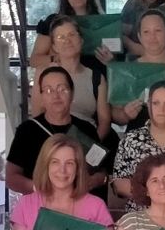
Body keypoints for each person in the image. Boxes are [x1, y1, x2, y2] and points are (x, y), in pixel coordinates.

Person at [6, 66, 107, 196]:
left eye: (62, 89)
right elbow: (11, 177)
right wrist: (40, 189)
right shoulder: (27, 131)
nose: (56, 96)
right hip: (40, 203)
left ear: (72, 94)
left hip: (80, 203)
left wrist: (95, 180)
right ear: (41, 96)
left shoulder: (87, 129)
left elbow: (102, 171)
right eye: (48, 90)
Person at [28, 17, 113, 156]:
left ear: (81, 40)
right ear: (54, 46)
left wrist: (90, 149)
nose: (67, 40)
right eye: (60, 37)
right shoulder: (44, 72)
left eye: (71, 35)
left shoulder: (96, 77)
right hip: (51, 142)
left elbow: (104, 121)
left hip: (87, 142)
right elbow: (37, 114)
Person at [112, 82, 165, 216]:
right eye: (156, 103)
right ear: (148, 105)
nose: (161, 109)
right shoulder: (130, 140)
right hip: (141, 218)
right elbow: (118, 183)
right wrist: (155, 194)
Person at [112, 8, 165, 131]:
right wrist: (126, 114)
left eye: (158, 30)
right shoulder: (128, 71)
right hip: (137, 137)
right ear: (139, 36)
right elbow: (115, 115)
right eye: (146, 32)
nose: (152, 37)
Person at [28, 0, 113, 71]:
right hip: (64, 78)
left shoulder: (105, 24)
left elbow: (119, 59)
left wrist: (110, 61)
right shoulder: (53, 22)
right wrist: (58, 57)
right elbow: (34, 60)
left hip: (99, 78)